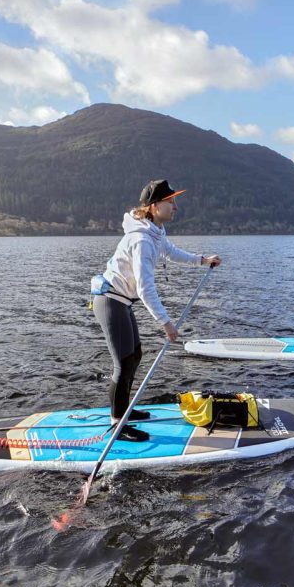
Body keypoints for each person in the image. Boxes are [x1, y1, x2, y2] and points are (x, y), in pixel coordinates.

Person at [93, 179, 221, 442]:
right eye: (170, 201)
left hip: (121, 302)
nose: (175, 206)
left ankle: (125, 411)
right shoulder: (142, 240)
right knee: (124, 362)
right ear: (154, 206)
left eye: (174, 201)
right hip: (110, 301)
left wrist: (202, 261)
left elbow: (172, 252)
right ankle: (117, 424)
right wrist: (166, 322)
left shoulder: (154, 232)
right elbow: (145, 288)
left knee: (135, 355)